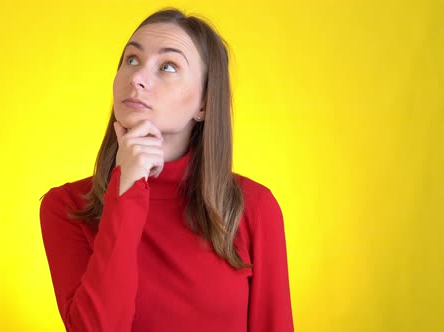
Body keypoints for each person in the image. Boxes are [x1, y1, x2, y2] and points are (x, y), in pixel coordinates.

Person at [39, 7, 294, 332]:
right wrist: (127, 189)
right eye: (131, 60)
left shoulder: (253, 208)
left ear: (203, 103)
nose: (138, 78)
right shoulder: (67, 207)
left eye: (168, 66)